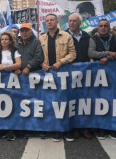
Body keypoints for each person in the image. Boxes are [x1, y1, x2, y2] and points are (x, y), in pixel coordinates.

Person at [39, 13, 76, 142]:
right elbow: (37, 55)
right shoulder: (41, 38)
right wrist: (42, 63)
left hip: (63, 73)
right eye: (47, 20)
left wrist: (61, 62)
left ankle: (67, 129)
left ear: (57, 21)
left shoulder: (66, 36)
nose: (49, 22)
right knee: (51, 102)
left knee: (64, 102)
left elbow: (72, 54)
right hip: (47, 75)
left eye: (52, 20)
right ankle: (56, 130)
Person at [65, 13, 92, 141]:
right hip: (69, 74)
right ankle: (74, 128)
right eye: (70, 21)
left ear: (79, 23)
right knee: (72, 101)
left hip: (85, 74)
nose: (71, 23)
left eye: (74, 21)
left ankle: (85, 128)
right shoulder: (63, 36)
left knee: (84, 101)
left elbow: (91, 52)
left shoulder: (87, 36)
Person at [88, 19, 116, 140]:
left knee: (112, 101)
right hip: (98, 76)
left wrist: (107, 58)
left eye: (106, 26)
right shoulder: (93, 38)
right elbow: (91, 53)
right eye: (101, 26)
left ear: (109, 27)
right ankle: (100, 128)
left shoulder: (114, 38)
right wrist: (109, 54)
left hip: (112, 75)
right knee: (99, 101)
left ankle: (111, 127)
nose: (103, 28)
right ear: (98, 27)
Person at [0, 31, 21, 141]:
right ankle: (5, 129)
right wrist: (11, 67)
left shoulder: (15, 51)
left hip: (13, 81)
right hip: (1, 81)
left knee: (14, 103)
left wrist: (5, 67)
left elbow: (19, 64)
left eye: (6, 39)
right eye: (2, 39)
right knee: (3, 104)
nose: (4, 41)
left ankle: (13, 130)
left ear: (10, 41)